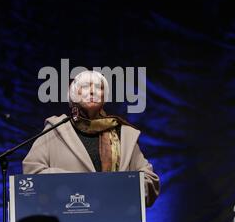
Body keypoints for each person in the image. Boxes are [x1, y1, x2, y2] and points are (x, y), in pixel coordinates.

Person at [23, 70, 160, 207]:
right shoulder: (55, 131)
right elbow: (32, 173)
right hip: (69, 219)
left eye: (98, 87)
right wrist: (78, 182)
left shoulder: (123, 134)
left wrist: (120, 186)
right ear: (74, 94)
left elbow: (150, 182)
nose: (93, 91)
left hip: (115, 219)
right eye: (85, 87)